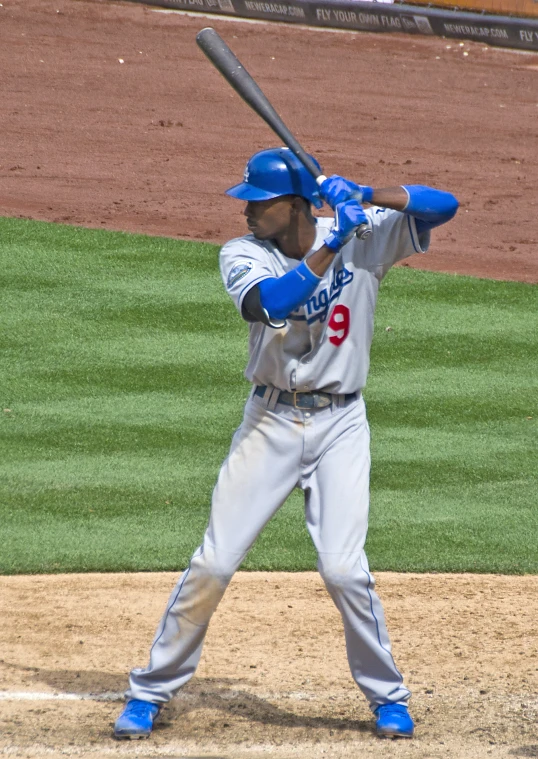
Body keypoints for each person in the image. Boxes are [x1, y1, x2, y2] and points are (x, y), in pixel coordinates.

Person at [113, 147, 458, 741]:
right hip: (270, 423)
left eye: (260, 202)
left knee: (345, 570)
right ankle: (149, 692)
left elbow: (444, 206)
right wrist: (333, 244)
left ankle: (388, 698)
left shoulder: (359, 231)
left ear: (296, 204)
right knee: (215, 562)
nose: (247, 212)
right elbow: (271, 302)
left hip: (342, 425)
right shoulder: (243, 253)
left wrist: (368, 193)